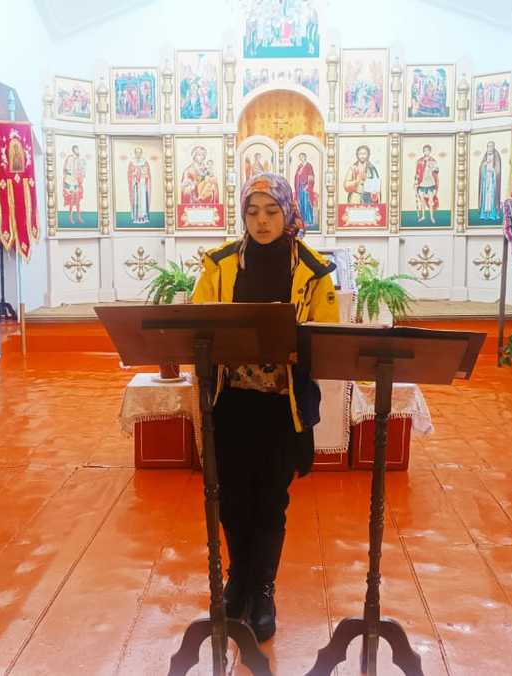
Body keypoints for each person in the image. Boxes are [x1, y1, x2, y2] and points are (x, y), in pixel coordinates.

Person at [191, 172, 338, 642]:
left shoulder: (313, 269)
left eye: (272, 211)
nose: (261, 221)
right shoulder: (219, 264)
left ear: (288, 212)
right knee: (232, 499)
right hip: (231, 403)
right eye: (252, 212)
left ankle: (265, 590)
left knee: (271, 501)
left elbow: (327, 340)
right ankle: (238, 582)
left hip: (282, 407)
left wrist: (297, 349)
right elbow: (196, 323)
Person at [477, 141, 502, 221]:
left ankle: (492, 214)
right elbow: (481, 167)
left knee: (492, 197)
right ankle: (484, 215)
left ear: (493, 147)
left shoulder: (496, 156)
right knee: (485, 197)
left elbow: (498, 170)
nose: (489, 148)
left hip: (493, 180)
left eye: (491, 146)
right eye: (488, 146)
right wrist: (484, 165)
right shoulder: (485, 156)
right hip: (485, 179)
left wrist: (493, 171)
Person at [414, 144, 439, 223]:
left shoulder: (433, 160)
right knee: (422, 201)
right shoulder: (420, 161)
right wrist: (416, 182)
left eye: (427, 150)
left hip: (430, 182)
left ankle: (432, 217)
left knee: (430, 201)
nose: (426, 152)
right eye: (425, 150)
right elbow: (417, 173)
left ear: (430, 151)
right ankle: (423, 216)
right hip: (422, 183)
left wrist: (433, 168)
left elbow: (436, 171)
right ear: (423, 151)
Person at [127, 147, 151, 224]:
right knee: (137, 201)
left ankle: (144, 217)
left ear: (141, 153)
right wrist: (134, 176)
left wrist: (144, 175)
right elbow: (129, 174)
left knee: (143, 201)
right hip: (136, 185)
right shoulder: (132, 162)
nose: (138, 154)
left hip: (143, 185)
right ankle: (136, 218)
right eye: (136, 152)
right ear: (135, 153)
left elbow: (148, 175)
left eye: (139, 152)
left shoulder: (145, 162)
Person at [62, 145, 85, 224]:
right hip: (70, 181)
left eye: (78, 149)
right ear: (74, 150)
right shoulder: (70, 159)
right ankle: (70, 217)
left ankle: (79, 217)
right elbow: (65, 170)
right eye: (76, 149)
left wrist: (80, 175)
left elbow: (81, 170)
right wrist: (72, 174)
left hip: (76, 181)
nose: (77, 151)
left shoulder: (79, 159)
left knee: (78, 199)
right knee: (72, 199)